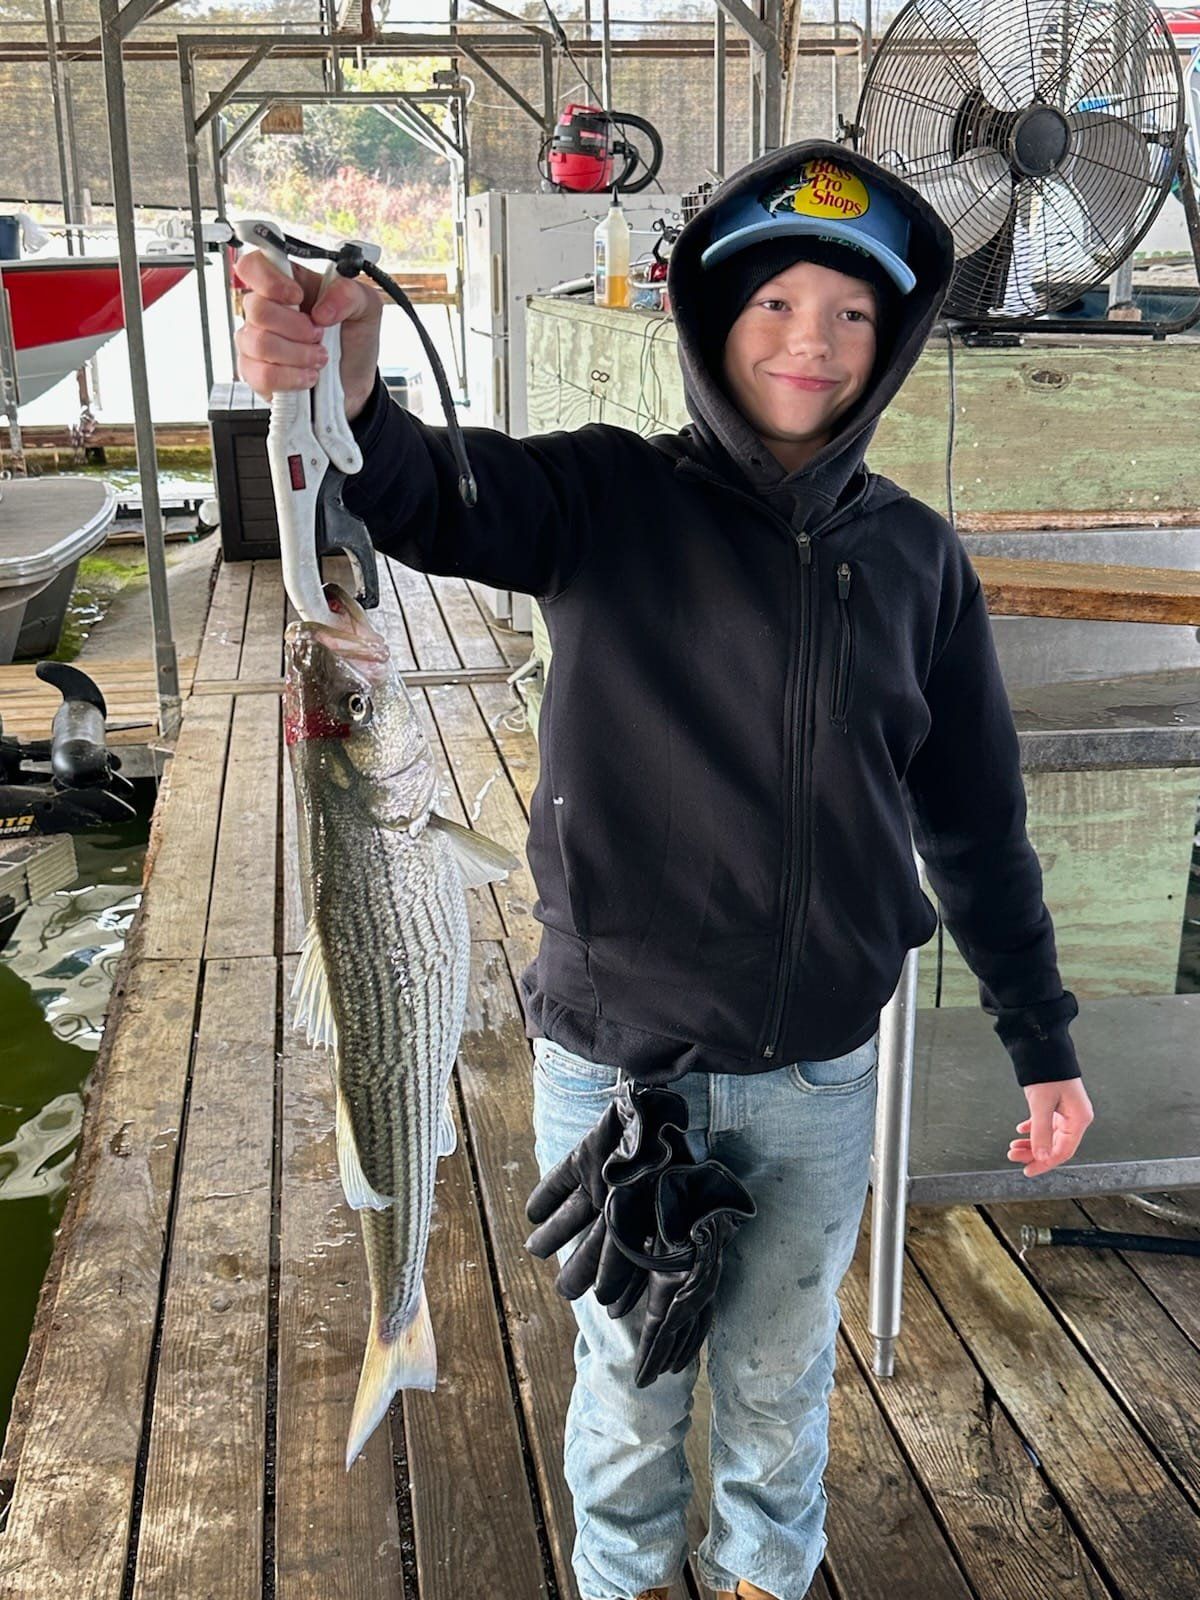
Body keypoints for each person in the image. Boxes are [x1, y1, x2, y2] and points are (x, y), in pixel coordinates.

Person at [237, 139, 1096, 1600]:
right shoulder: (605, 497)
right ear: (710, 321)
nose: (808, 341)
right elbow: (431, 498)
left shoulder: (921, 565)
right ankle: (622, 1584)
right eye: (773, 306)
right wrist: (347, 385)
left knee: (777, 1384)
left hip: (821, 1068)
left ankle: (768, 1576)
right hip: (612, 1066)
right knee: (628, 1391)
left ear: (886, 348)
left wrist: (1043, 1042)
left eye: (849, 314)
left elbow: (976, 822)